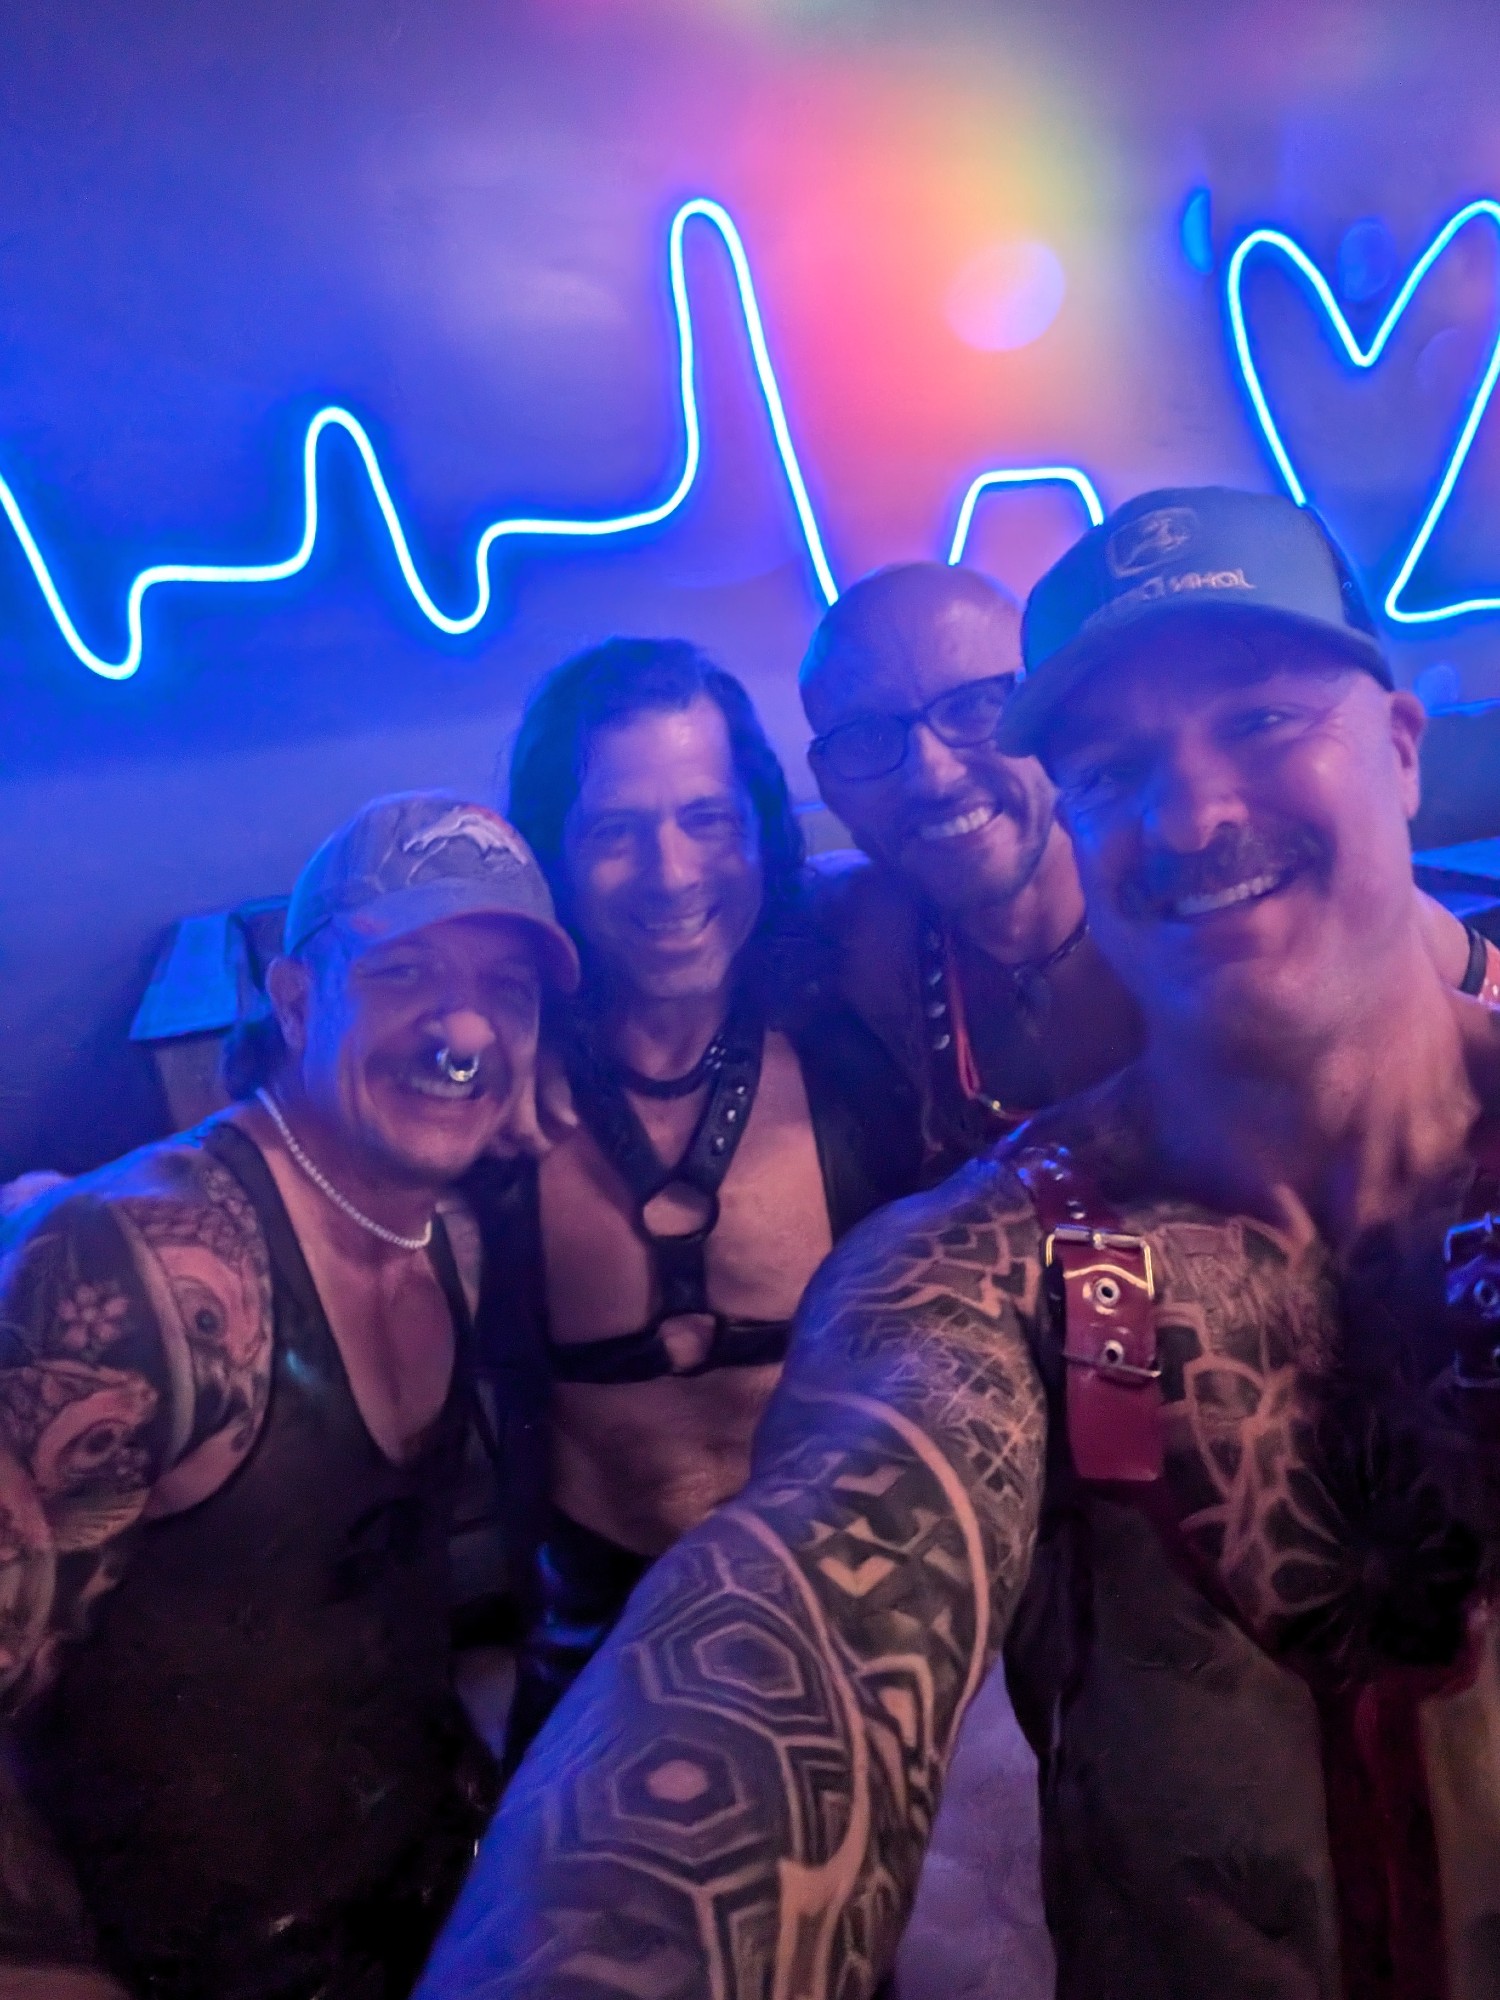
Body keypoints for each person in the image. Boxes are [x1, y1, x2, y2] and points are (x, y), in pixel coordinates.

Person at [417, 489, 1500, 2000]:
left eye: (1260, 719)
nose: (1191, 815)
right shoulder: (901, 1055)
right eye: (1113, 768)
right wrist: (512, 1024)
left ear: (1400, 744)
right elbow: (837, 1539)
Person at [0, 789, 580, 2000]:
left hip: (430, 1904)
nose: (464, 1024)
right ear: (301, 1000)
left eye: (509, 991)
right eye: (405, 973)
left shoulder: (451, 1233)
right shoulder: (138, 1266)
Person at [463, 638, 922, 1769]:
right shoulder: (496, 1101)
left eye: (707, 819)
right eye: (615, 832)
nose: (671, 874)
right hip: (591, 1633)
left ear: (761, 829)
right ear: (554, 855)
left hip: (834, 1613)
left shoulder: (858, 1047)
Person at [801, 560, 1500, 1175]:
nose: (933, 775)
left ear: (1048, 730)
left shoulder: (1223, 904)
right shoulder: (858, 936)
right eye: (864, 738)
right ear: (829, 786)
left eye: (975, 707)